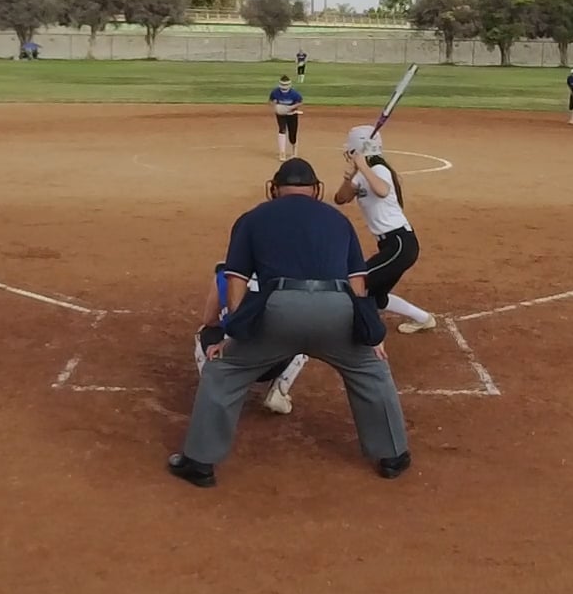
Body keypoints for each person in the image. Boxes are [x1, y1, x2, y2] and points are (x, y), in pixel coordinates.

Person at [168, 158, 411, 489]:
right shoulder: (338, 220)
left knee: (223, 371)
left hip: (279, 310)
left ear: (274, 189)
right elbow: (357, 284)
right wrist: (371, 335)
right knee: (371, 369)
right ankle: (393, 456)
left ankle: (199, 463)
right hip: (337, 310)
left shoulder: (253, 218)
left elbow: (236, 279)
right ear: (316, 190)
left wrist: (235, 332)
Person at [334, 125, 436, 335]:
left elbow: (382, 191)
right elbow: (341, 199)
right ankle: (424, 319)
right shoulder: (362, 174)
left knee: (356, 283)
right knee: (377, 297)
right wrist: (349, 177)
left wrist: (363, 166)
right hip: (391, 245)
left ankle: (362, 333)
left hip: (400, 243)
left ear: (357, 149)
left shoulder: (379, 170)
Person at [196, 264, 308, 415]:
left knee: (204, 332)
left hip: (229, 360)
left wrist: (227, 322)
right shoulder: (283, 278)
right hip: (269, 367)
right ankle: (279, 391)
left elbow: (209, 319)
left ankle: (213, 390)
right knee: (301, 334)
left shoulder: (224, 273)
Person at [270, 75, 304, 159]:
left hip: (292, 114)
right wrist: (276, 107)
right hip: (281, 114)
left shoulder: (294, 94)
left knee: (292, 134)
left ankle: (294, 151)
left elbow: (300, 102)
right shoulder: (275, 92)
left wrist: (290, 108)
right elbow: (271, 100)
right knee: (282, 130)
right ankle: (282, 153)